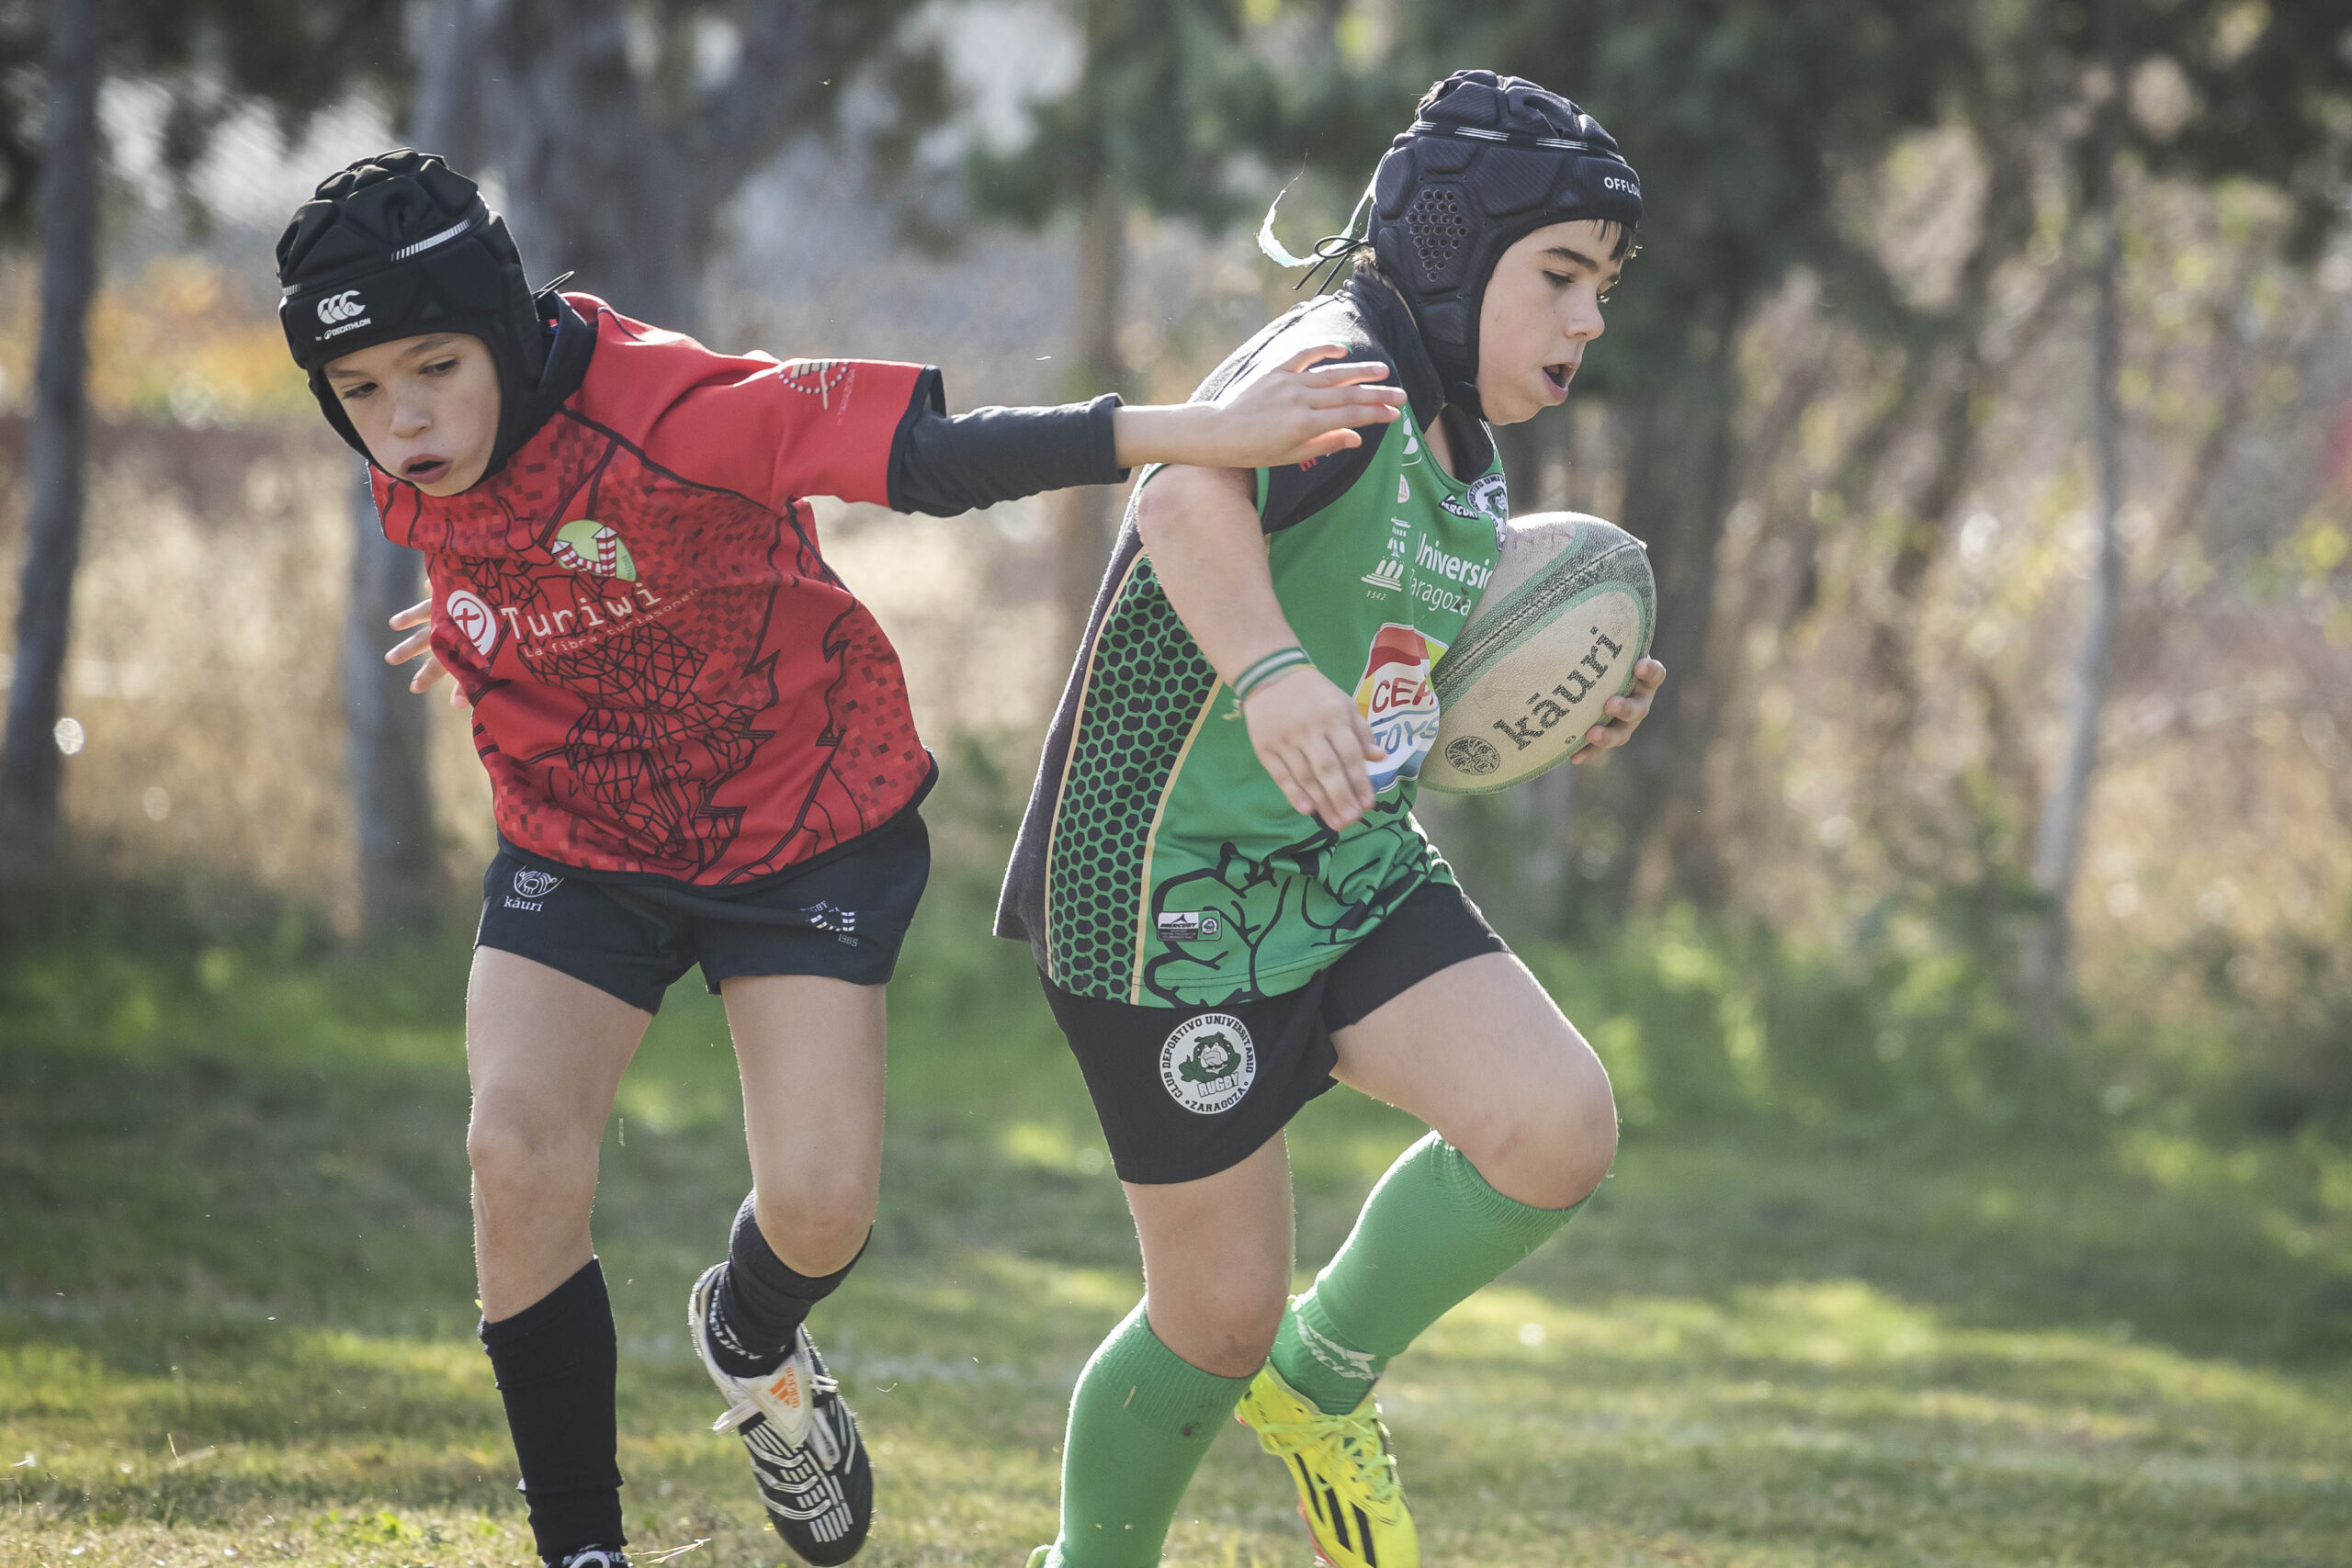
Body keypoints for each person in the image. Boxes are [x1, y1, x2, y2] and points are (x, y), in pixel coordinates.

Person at [273, 149, 1408, 1568]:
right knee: (515, 1149)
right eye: (361, 393)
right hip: (583, 834)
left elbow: (937, 455)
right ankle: (581, 1549)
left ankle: (752, 1335)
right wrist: (483, 621)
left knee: (820, 1206)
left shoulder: (677, 408)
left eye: (433, 368)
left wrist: (1201, 430)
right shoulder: (425, 450)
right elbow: (544, 549)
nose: (404, 420)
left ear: (499, 334)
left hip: (803, 818)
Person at [994, 71, 1668, 1568]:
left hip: (1342, 863)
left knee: (1553, 1128)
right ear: (1448, 249)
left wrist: (1550, 702)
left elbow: (1389, 648)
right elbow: (1182, 497)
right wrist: (1271, 669)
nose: (1586, 320)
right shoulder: (1337, 364)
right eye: (1559, 275)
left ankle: (1323, 1382)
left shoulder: (1459, 442)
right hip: (1162, 890)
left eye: (1603, 289)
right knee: (1213, 1316)